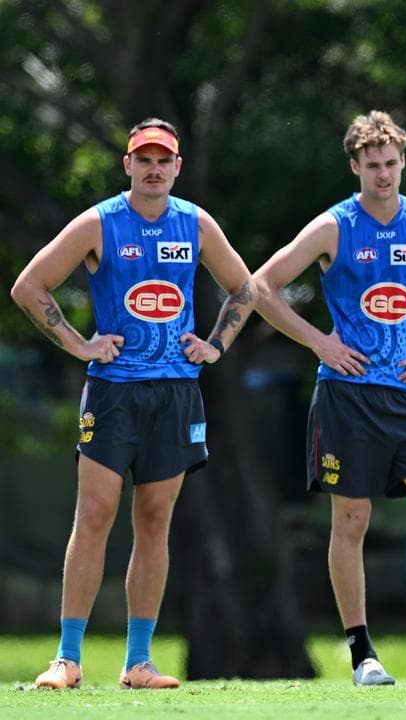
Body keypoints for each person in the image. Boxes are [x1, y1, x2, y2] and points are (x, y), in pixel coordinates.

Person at [12, 118, 256, 689]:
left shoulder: (195, 223)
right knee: (94, 515)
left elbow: (245, 288)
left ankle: (138, 662)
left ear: (177, 167)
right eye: (143, 158)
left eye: (162, 159)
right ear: (127, 165)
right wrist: (79, 344)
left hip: (176, 392)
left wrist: (215, 345)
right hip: (113, 390)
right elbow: (29, 285)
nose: (153, 168)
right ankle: (67, 659)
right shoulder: (101, 221)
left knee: (154, 521)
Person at [252, 111, 406, 686]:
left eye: (391, 163)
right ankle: (362, 655)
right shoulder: (336, 226)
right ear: (354, 166)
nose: (383, 175)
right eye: (372, 165)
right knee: (353, 518)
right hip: (346, 395)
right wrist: (319, 342)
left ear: (403, 162)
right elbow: (260, 285)